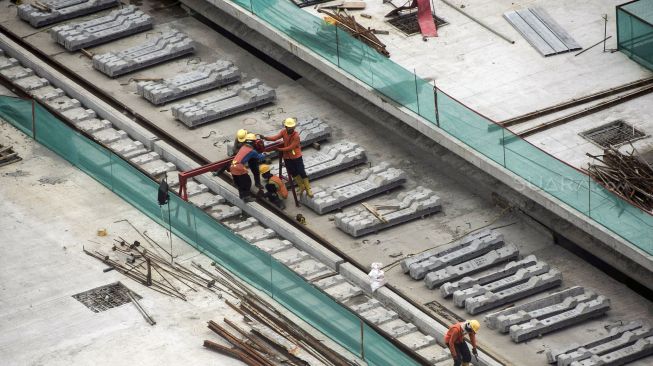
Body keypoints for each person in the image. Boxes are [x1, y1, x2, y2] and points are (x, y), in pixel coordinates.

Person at [264, 117, 313, 197]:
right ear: (286, 127)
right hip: (287, 157)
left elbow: (291, 147)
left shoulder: (296, 136)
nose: (290, 129)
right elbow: (275, 137)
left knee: (301, 171)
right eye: (289, 127)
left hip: (296, 156)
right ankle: (301, 186)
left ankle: (308, 189)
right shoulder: (284, 132)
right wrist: (266, 138)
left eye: (292, 127)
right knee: (293, 172)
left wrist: (280, 149)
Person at [229, 133, 266, 202]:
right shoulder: (252, 151)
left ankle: (242, 195)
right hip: (239, 167)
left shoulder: (243, 147)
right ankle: (246, 197)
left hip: (232, 166)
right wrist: (264, 154)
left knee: (240, 183)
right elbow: (259, 157)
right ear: (253, 142)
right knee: (247, 182)